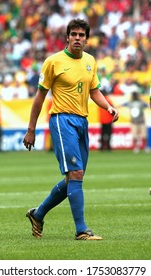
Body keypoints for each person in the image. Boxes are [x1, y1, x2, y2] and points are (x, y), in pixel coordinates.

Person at [23, 19, 119, 241]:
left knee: (74, 179)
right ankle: (81, 230)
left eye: (81, 35)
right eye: (73, 34)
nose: (78, 38)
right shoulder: (53, 62)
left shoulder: (90, 61)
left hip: (82, 122)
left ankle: (37, 215)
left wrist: (108, 106)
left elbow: (94, 90)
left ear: (86, 38)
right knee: (74, 174)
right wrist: (31, 129)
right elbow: (39, 97)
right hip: (61, 120)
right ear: (67, 37)